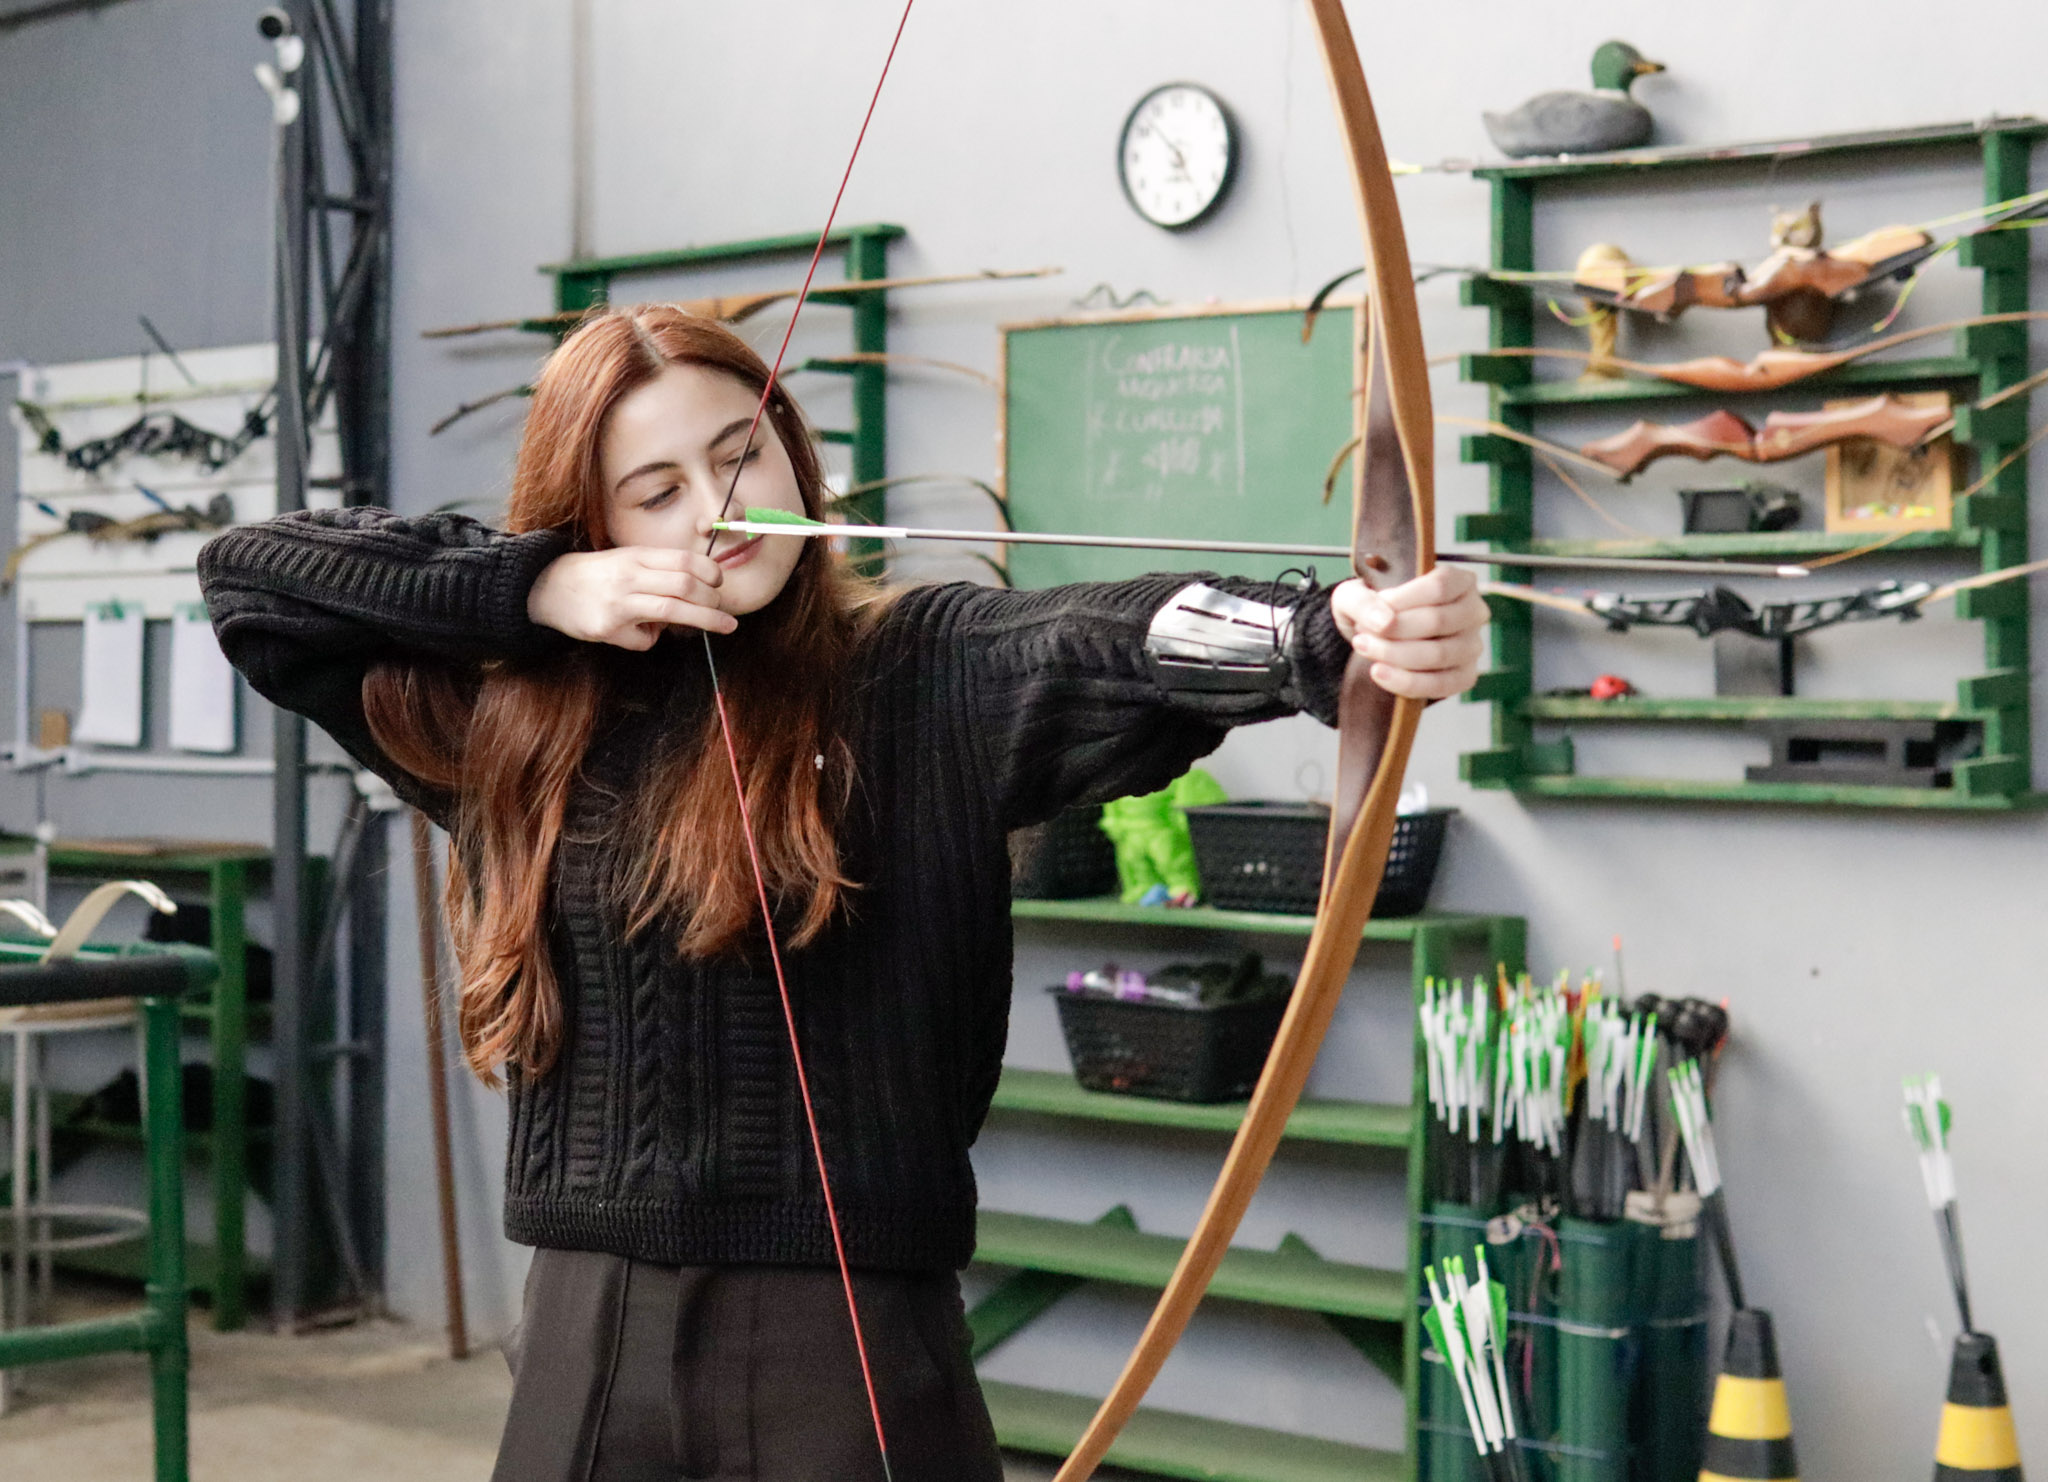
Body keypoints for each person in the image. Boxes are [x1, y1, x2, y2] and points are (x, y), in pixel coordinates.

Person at [197, 304, 1487, 1482]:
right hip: (588, 1318)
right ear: (594, 524)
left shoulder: (920, 669)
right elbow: (251, 581)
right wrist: (533, 587)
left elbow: (1109, 638)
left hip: (846, 1327)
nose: (719, 508)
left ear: (794, 456)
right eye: (656, 491)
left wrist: (1329, 635)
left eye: (740, 456)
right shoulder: (521, 723)